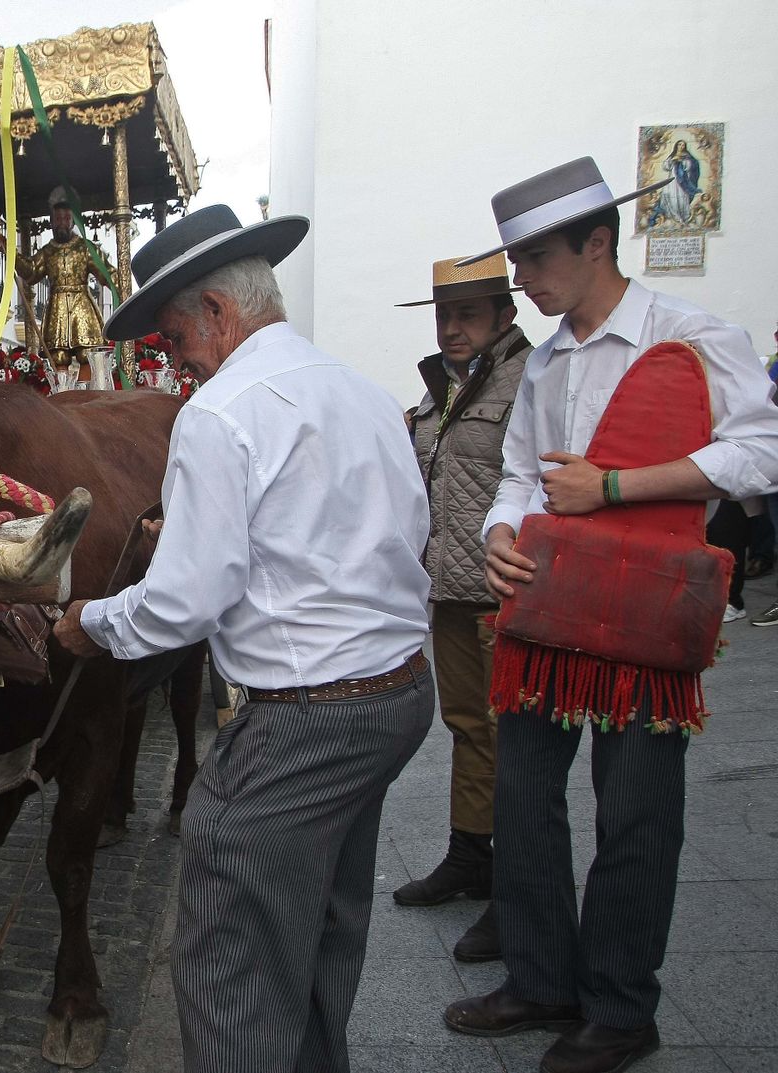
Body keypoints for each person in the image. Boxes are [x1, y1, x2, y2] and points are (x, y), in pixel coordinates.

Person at [51, 205, 434, 1072]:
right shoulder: (364, 392)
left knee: (233, 957)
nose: (172, 356)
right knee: (324, 929)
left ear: (220, 313)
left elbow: (181, 608)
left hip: (305, 722)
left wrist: (92, 623)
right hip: (399, 694)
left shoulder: (219, 413)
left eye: (176, 334)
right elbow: (368, 539)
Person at [445, 157, 778, 1073]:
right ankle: (544, 976)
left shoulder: (695, 335)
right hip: (550, 609)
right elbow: (520, 472)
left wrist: (617, 486)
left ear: (599, 242)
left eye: (537, 257)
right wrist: (504, 531)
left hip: (645, 614)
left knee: (635, 806)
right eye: (516, 258)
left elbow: (761, 452)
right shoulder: (545, 361)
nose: (521, 278)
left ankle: (624, 1006)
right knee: (524, 792)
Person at [393, 253, 532, 963]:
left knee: (514, 739)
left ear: (504, 317)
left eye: (468, 315)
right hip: (448, 587)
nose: (452, 328)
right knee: (468, 725)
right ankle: (470, 854)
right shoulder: (437, 388)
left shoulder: (528, 379)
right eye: (445, 315)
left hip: (506, 591)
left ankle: (519, 887)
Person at [0, 186, 116, 374]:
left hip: (81, 304)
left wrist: (119, 285)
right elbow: (31, 271)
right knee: (58, 356)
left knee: (87, 353)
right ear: (51, 222)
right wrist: (9, 250)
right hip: (57, 307)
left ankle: (85, 396)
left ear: (73, 221)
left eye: (66, 218)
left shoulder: (85, 248)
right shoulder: (48, 251)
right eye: (58, 219)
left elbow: (106, 273)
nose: (62, 223)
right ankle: (62, 396)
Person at [644, 139, 700, 230]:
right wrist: (673, 160)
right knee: (669, 195)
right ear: (676, 146)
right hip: (672, 180)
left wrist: (682, 161)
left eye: (683, 145)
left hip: (682, 181)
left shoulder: (687, 157)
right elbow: (666, 166)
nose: (681, 146)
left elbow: (689, 167)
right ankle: (673, 217)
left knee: (682, 197)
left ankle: (683, 217)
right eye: (679, 145)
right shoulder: (672, 156)